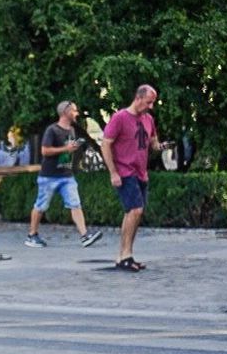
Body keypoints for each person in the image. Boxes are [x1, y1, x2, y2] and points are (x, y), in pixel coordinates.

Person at [98, 85, 162, 271]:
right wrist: (113, 172)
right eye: (149, 102)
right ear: (138, 98)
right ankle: (125, 255)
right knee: (135, 210)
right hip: (125, 171)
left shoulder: (148, 118)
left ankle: (125, 255)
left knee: (134, 213)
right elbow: (105, 144)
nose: (151, 106)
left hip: (142, 173)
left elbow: (153, 141)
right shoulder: (120, 118)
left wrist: (160, 146)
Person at [25, 101, 104, 248]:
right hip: (49, 175)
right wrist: (65, 149)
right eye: (74, 111)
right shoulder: (52, 130)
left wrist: (72, 152)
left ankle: (84, 235)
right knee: (41, 205)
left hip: (66, 175)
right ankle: (32, 235)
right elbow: (45, 151)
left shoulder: (72, 130)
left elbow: (67, 152)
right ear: (66, 112)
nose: (77, 113)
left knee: (75, 204)